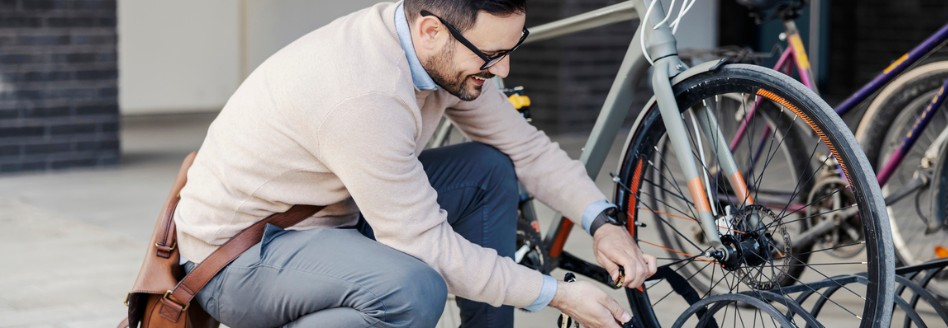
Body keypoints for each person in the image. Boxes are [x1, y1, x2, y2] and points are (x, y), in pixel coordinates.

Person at [173, 0, 656, 327]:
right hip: (240, 260)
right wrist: (558, 292)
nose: (504, 70)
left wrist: (601, 222)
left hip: (329, 220)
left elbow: (524, 148)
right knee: (412, 288)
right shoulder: (363, 94)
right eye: (493, 54)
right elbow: (424, 243)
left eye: (513, 48)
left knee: (487, 169)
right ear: (431, 30)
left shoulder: (444, 59)